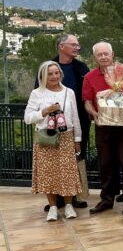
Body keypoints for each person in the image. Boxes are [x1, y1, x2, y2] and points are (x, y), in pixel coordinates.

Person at [83, 42, 123, 215]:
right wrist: (95, 114)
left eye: (106, 54)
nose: (103, 57)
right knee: (106, 164)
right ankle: (106, 200)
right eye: (99, 54)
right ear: (95, 57)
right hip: (103, 126)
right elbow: (87, 102)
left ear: (112, 54)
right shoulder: (90, 77)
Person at [25, 61, 82, 221]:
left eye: (57, 73)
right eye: (50, 74)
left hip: (66, 136)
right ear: (43, 76)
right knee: (48, 173)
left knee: (68, 172)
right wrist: (43, 112)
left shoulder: (68, 92)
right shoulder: (37, 93)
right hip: (46, 137)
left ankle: (69, 205)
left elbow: (75, 117)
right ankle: (53, 207)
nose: (54, 76)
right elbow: (27, 118)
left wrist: (77, 138)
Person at [43, 34, 89, 211]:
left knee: (78, 158)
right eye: (73, 45)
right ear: (61, 46)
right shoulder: (48, 67)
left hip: (78, 122)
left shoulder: (82, 67)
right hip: (51, 124)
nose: (77, 47)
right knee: (54, 160)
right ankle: (57, 199)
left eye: (78, 45)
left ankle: (76, 196)